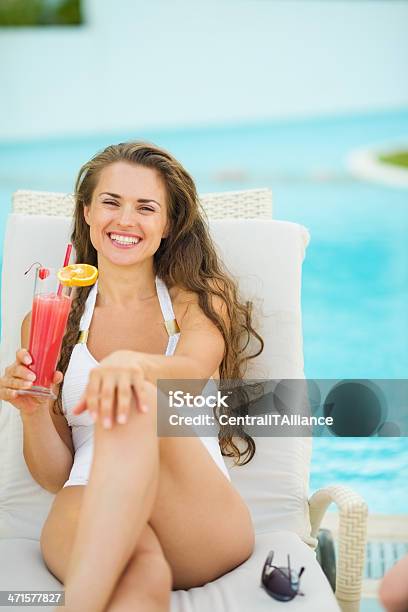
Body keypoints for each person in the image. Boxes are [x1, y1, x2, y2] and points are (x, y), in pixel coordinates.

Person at [0, 142, 264, 612]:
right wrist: (34, 410)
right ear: (86, 213)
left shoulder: (197, 299)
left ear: (167, 225)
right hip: (89, 501)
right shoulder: (50, 319)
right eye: (110, 202)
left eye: (146, 208)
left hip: (194, 513)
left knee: (142, 401)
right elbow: (56, 476)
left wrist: (135, 366)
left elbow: (186, 374)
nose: (125, 220)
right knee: (137, 578)